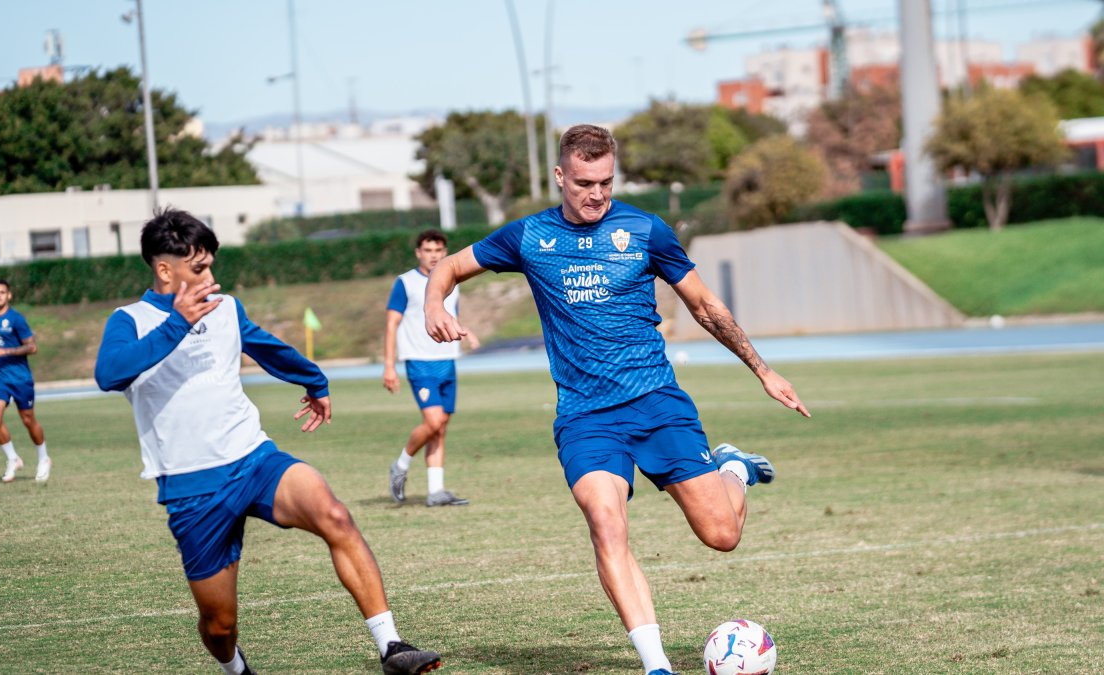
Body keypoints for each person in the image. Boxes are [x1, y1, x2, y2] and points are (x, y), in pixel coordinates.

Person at [423, 125, 810, 675]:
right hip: (585, 416)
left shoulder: (646, 230)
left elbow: (704, 306)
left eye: (605, 182)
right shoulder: (530, 237)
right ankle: (657, 667)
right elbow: (449, 267)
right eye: (584, 183)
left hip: (657, 404)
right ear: (560, 176)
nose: (596, 195)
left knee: (722, 535)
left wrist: (763, 370)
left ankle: (735, 469)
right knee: (606, 521)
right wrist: (435, 306)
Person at [94, 209, 442, 675]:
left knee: (334, 514)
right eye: (199, 268)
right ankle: (237, 671)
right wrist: (177, 324)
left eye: (211, 265)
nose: (210, 277)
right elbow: (109, 373)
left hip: (253, 459)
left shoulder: (226, 307)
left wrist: (314, 381)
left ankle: (392, 646)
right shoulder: (129, 320)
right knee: (220, 625)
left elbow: (266, 347)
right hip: (190, 487)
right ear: (164, 270)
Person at [384, 229, 478, 507]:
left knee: (441, 426)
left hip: (447, 361)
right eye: (428, 251)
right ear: (418, 253)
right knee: (433, 421)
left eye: (438, 251)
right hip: (419, 362)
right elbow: (392, 324)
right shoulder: (405, 283)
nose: (433, 256)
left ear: (445, 253)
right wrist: (389, 366)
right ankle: (400, 464)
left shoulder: (453, 282)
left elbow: (450, 316)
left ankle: (436, 491)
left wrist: (466, 332)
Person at [0, 279, 51, 483]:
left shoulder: (16, 319)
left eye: (2, 292)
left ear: (9, 296)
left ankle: (43, 458)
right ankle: (13, 458)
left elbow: (32, 347)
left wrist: (5, 352)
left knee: (28, 419)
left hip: (20, 378)